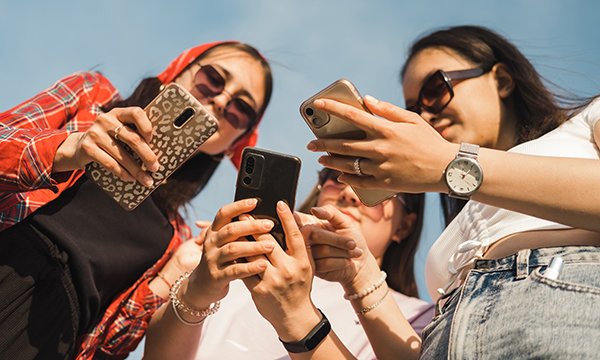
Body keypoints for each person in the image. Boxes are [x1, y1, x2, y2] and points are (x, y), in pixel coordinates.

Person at [250, 25, 600, 359]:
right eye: (415, 108)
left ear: (502, 80)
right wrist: (360, 276)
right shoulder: (456, 233)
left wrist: (451, 165)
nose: (427, 113)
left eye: (436, 89)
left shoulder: (585, 122)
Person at [0, 41, 273, 359]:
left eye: (241, 109)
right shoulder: (93, 97)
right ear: (176, 73)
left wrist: (178, 275)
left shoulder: (177, 239)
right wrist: (67, 150)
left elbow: (107, 346)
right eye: (213, 78)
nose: (221, 100)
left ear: (235, 142)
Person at [152, 168, 432, 359]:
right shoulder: (244, 259)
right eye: (336, 175)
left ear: (404, 226)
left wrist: (297, 316)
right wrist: (196, 292)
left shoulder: (417, 319)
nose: (348, 192)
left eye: (375, 184)